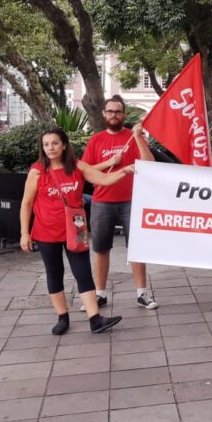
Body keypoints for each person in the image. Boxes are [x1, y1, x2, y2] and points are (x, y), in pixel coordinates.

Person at [19, 127, 129, 335]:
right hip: (46, 231)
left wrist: (125, 170)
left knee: (83, 271)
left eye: (55, 143)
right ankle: (62, 317)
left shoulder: (77, 166)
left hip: (75, 229)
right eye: (46, 144)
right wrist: (25, 233)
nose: (50, 148)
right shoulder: (37, 171)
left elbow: (103, 179)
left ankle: (95, 319)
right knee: (54, 272)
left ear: (64, 145)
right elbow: (26, 203)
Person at [82, 96, 158, 310]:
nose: (113, 115)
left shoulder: (132, 137)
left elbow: (149, 163)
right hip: (102, 201)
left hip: (131, 201)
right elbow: (86, 171)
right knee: (101, 249)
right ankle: (100, 294)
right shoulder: (96, 140)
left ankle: (142, 293)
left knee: (136, 248)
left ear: (123, 114)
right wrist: (109, 162)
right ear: (104, 114)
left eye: (117, 111)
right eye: (110, 111)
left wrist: (138, 137)